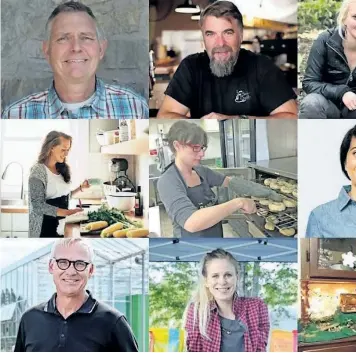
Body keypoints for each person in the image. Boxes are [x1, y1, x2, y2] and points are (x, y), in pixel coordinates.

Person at [1, 1, 148, 119]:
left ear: (101, 49)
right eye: (63, 38)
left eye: (86, 38)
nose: (76, 47)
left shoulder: (136, 108)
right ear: (47, 50)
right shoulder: (15, 115)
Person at [157, 1, 297, 119]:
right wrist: (203, 127)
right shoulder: (191, 67)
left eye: (228, 33)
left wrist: (237, 121)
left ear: (240, 36)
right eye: (210, 34)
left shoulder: (262, 67)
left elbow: (292, 117)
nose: (220, 43)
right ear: (204, 38)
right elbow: (165, 116)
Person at [157, 121, 282, 237]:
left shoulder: (202, 171)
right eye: (195, 148)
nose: (202, 154)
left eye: (202, 148)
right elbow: (191, 222)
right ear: (177, 145)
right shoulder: (168, 181)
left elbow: (231, 182)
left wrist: (267, 192)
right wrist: (239, 202)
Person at [14, 238, 139, 351]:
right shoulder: (29, 319)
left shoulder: (113, 322)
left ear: (90, 270)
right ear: (51, 267)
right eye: (63, 262)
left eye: (80, 264)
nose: (71, 271)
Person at [300, 0, 356, 119]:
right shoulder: (326, 41)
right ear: (344, 19)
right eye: (355, 17)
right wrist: (342, 93)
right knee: (311, 103)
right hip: (328, 101)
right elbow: (309, 83)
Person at [184, 248, 270, 352]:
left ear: (237, 277)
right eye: (215, 276)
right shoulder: (197, 311)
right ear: (206, 281)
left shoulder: (257, 306)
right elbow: (193, 350)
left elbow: (261, 348)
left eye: (228, 275)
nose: (222, 282)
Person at [28, 131, 90, 238]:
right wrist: (68, 213)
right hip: (44, 228)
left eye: (68, 150)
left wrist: (80, 188)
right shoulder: (37, 172)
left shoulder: (61, 168)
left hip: (61, 225)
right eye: (63, 150)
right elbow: (37, 206)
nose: (66, 154)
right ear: (51, 147)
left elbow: (62, 196)